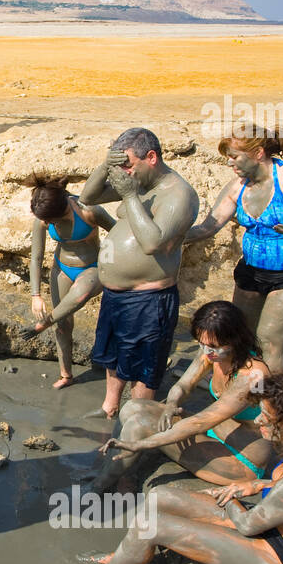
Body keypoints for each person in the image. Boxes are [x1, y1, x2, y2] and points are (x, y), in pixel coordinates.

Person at [60, 367, 283, 564]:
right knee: (160, 497)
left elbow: (248, 524)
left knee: (153, 525)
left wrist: (230, 495)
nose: (257, 422)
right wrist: (258, 484)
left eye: (266, 419)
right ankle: (128, 557)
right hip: (277, 526)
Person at [184, 123, 283, 370]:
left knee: (269, 340)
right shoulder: (237, 186)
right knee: (241, 334)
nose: (229, 163)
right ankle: (239, 391)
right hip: (253, 271)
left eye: (234, 157)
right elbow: (208, 227)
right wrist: (168, 238)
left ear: (259, 153)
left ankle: (270, 403)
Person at [90, 300, 272, 491]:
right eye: (202, 344)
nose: (207, 352)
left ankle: (97, 487)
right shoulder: (212, 352)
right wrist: (171, 404)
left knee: (139, 426)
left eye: (213, 346)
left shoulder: (253, 375)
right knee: (133, 407)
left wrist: (141, 444)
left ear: (235, 340)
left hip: (240, 460)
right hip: (214, 433)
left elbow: (201, 422)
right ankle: (113, 469)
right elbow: (184, 385)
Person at [80, 128, 199, 417]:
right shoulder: (139, 182)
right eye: (120, 168)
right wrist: (106, 165)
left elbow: (152, 243)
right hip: (115, 295)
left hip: (149, 299)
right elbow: (88, 196)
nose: (125, 174)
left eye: (128, 165)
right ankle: (110, 406)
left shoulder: (179, 194)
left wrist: (130, 197)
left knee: (143, 367)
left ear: (152, 157)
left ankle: (137, 419)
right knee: (115, 356)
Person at [27, 181, 114, 388]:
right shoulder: (43, 219)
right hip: (62, 268)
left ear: (60, 210)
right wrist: (35, 295)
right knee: (63, 325)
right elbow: (36, 257)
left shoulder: (89, 211)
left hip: (92, 267)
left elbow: (117, 232)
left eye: (50, 220)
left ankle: (44, 323)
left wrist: (110, 260)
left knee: (80, 294)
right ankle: (66, 375)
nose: (46, 223)